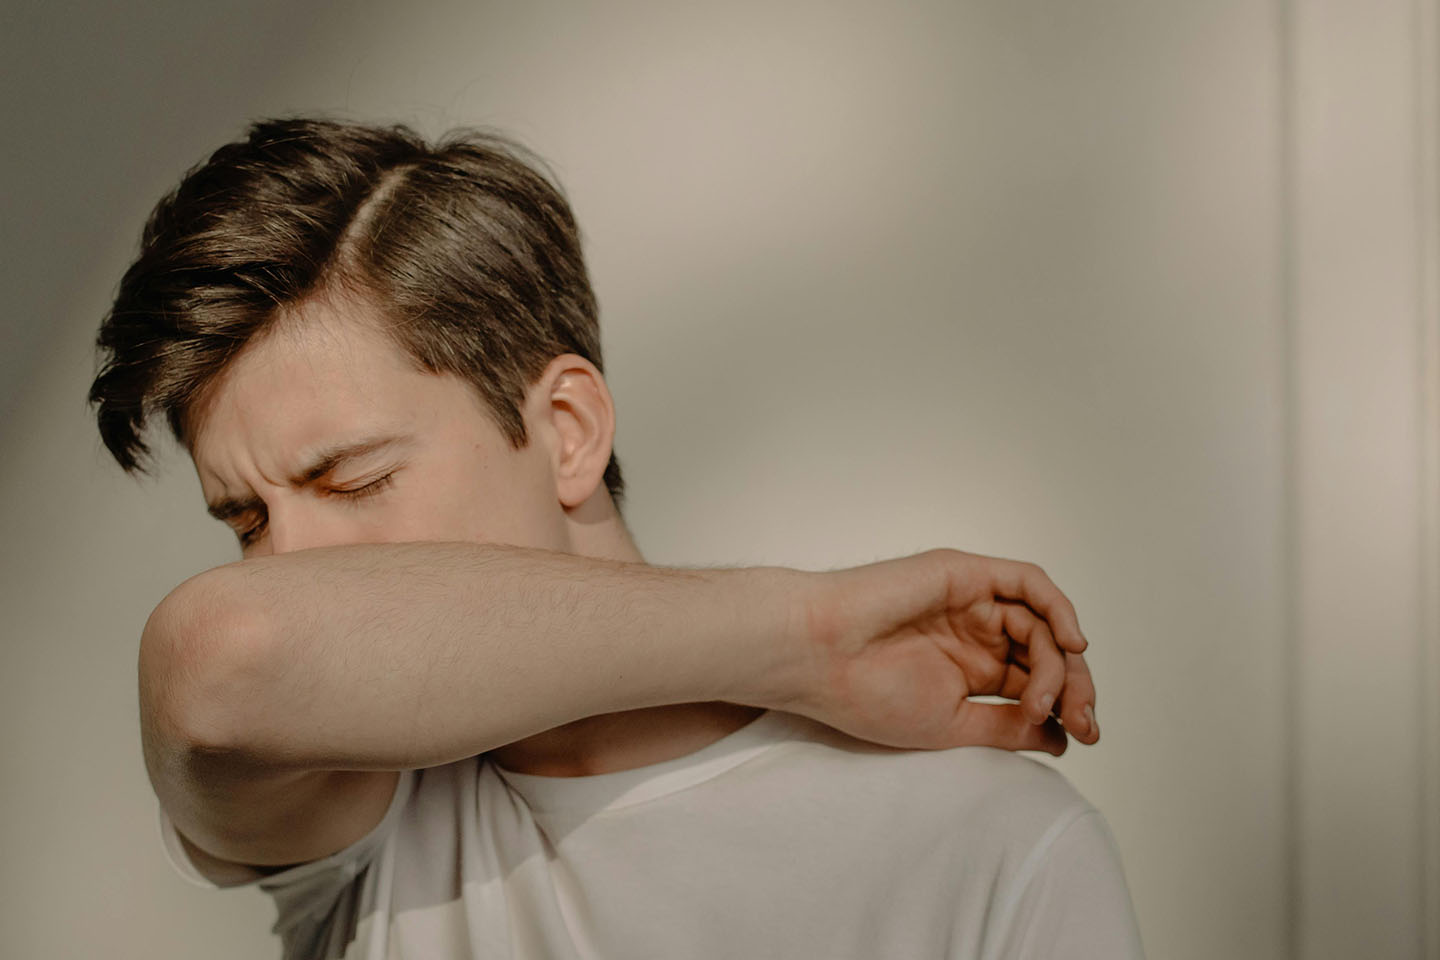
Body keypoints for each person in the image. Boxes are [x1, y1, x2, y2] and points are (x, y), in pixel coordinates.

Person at [89, 117, 1144, 959]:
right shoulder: (357, 814)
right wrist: (806, 632)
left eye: (353, 480)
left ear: (568, 433)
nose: (289, 569)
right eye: (248, 521)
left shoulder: (984, 841)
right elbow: (222, 658)